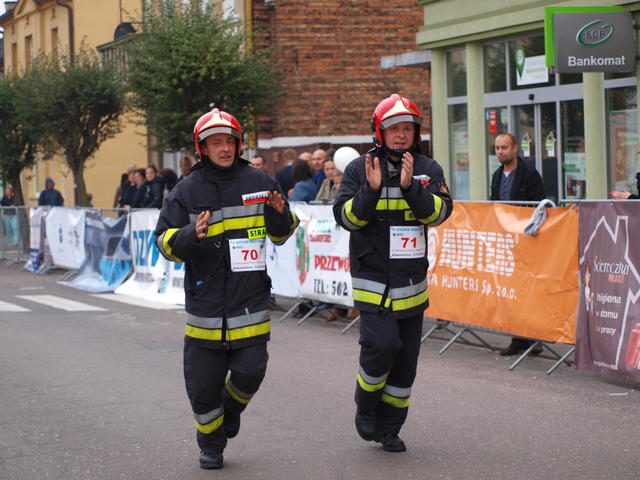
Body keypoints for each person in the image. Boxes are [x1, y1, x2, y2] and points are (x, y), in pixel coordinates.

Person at [154, 108, 298, 470]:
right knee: (203, 388)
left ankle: (230, 410)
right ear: (202, 148)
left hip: (249, 301)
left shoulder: (260, 181)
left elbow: (283, 232)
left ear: (239, 144)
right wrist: (190, 235)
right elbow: (163, 242)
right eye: (215, 142)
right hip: (205, 305)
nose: (224, 148)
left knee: (251, 372)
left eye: (229, 142)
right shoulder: (186, 190)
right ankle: (211, 444)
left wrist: (279, 215)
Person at [333, 94, 453, 452]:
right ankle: (366, 407)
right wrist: (370, 191)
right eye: (394, 128)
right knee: (381, 346)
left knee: (404, 365)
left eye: (407, 128)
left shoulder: (428, 169)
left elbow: (439, 214)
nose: (401, 135)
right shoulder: (359, 169)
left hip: (411, 285)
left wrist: (411, 187)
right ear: (379, 132)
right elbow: (346, 219)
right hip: (372, 282)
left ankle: (389, 429)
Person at [490, 131, 546, 356]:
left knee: (528, 290)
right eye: (497, 148)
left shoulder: (529, 174)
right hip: (506, 241)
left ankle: (533, 338)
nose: (500, 152)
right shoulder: (496, 175)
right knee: (511, 290)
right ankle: (517, 337)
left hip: (526, 240)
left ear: (515, 149)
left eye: (504, 147)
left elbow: (540, 206)